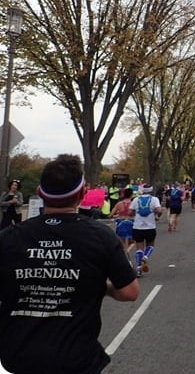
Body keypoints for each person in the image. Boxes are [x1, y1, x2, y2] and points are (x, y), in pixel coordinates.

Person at [0, 154, 139, 374]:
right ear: (83, 194)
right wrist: (102, 287)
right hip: (76, 359)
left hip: (17, 357)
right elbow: (130, 292)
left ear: (39, 193)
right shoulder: (101, 236)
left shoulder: (8, 237)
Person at [129, 184, 162, 277]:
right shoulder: (154, 199)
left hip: (137, 227)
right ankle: (145, 257)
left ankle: (139, 268)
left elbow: (130, 212)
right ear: (151, 190)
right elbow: (159, 210)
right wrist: (157, 216)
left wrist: (134, 214)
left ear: (142, 190)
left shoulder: (136, 200)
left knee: (139, 248)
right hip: (150, 226)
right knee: (150, 245)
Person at [110, 187, 136, 255]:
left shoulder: (119, 204)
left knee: (122, 242)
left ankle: (125, 253)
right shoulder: (133, 203)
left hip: (121, 223)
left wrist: (116, 215)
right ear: (131, 195)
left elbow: (111, 214)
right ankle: (127, 252)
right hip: (131, 223)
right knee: (133, 241)